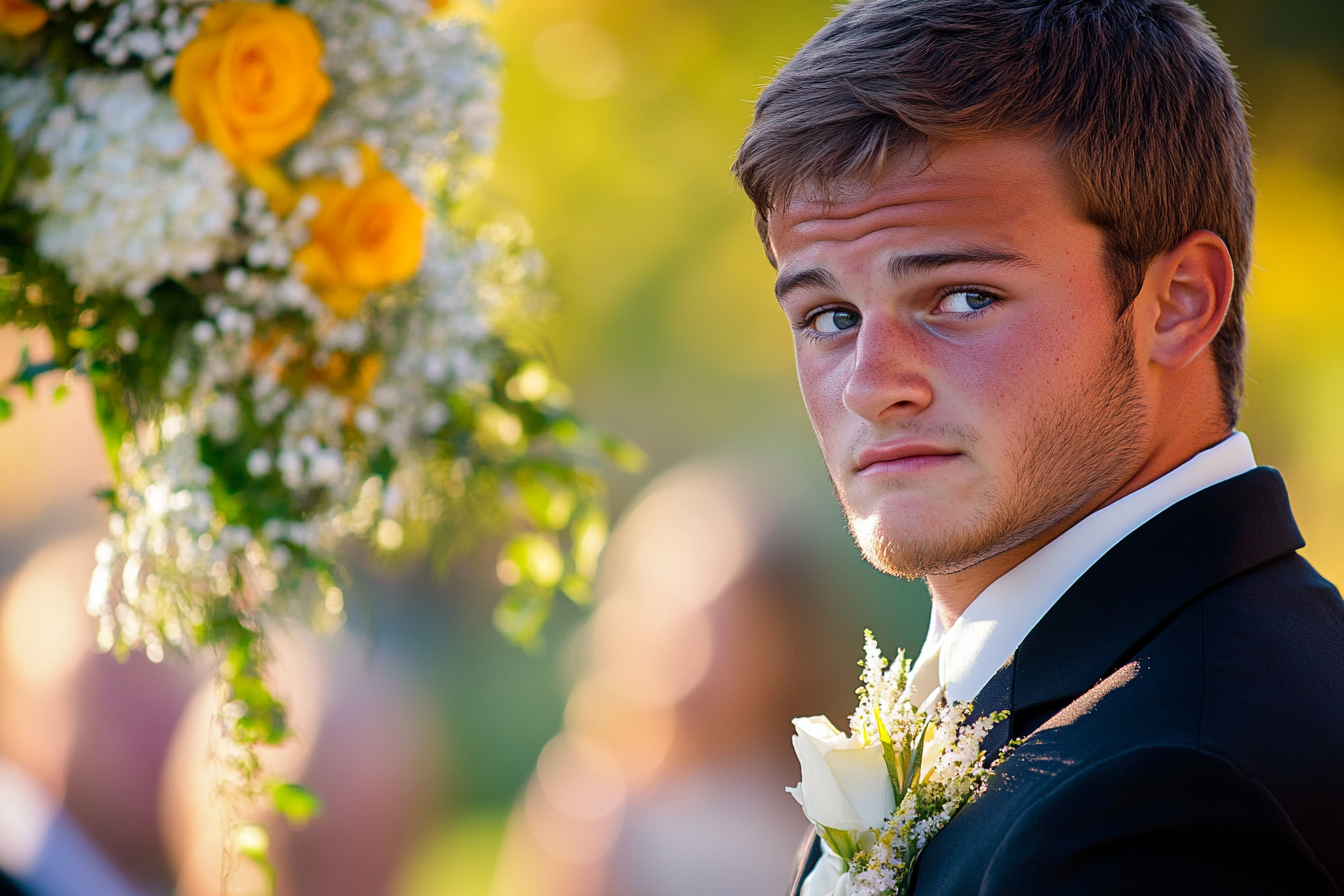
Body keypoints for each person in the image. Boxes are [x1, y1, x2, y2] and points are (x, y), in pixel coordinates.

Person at [731, 0, 1344, 893]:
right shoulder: (1050, 705)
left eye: (962, 297)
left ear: (1179, 301)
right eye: (830, 316)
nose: (870, 384)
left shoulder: (1171, 790)